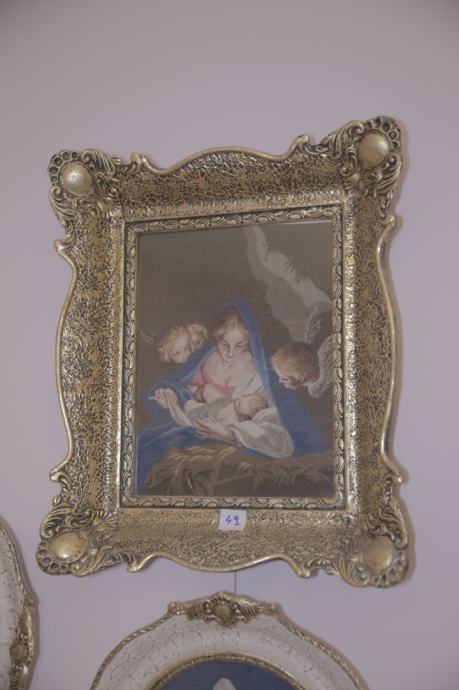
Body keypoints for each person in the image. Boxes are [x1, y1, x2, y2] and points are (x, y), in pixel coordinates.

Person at [136, 302, 325, 491]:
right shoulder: (200, 357)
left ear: (250, 340)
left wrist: (231, 435)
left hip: (231, 439)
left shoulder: (264, 371)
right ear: (216, 337)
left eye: (240, 345)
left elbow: (274, 425)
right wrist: (169, 396)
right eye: (224, 343)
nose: (230, 353)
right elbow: (177, 386)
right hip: (196, 421)